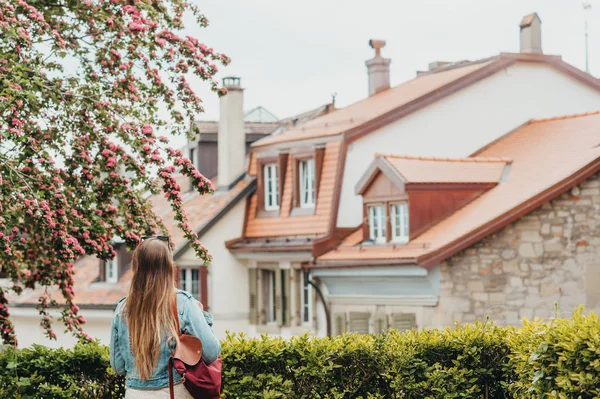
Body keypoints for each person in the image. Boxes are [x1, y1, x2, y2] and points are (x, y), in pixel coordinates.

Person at [110, 237, 221, 398]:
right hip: (172, 391)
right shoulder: (182, 303)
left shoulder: (122, 308)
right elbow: (211, 352)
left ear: (137, 266)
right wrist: (202, 317)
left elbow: (118, 366)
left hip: (135, 394)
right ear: (168, 266)